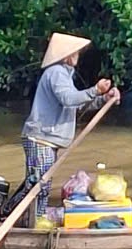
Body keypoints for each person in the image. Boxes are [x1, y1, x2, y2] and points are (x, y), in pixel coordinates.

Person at [23, 33, 117, 205]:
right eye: (74, 52)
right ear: (66, 56)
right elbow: (69, 99)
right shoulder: (56, 72)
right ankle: (34, 220)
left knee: (39, 186)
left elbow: (76, 105)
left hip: (46, 140)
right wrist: (96, 90)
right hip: (41, 139)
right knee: (39, 188)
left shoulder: (64, 75)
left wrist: (103, 98)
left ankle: (30, 216)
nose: (77, 55)